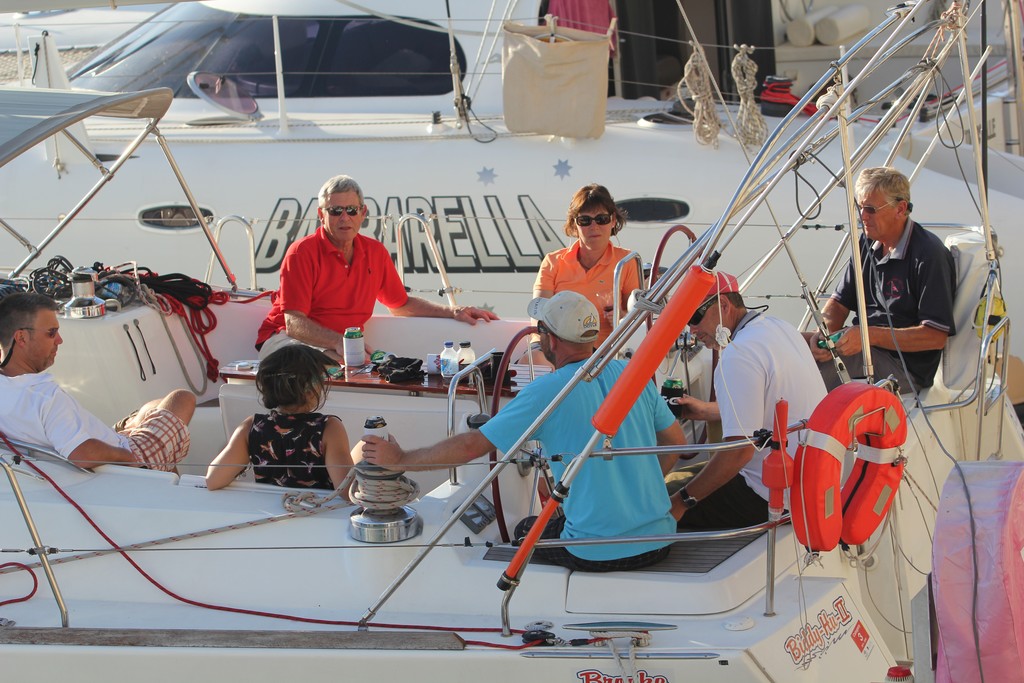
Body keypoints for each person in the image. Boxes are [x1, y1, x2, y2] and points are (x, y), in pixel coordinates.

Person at [359, 291, 685, 572]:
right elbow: (676, 442)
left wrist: (400, 458)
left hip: (595, 553)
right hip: (658, 540)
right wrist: (630, 495)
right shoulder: (632, 373)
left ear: (551, 339)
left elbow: (473, 445)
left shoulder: (549, 391)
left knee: (524, 529)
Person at [255, 175, 499, 360]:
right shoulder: (301, 253)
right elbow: (294, 324)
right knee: (314, 365)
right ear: (321, 214)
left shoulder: (375, 252)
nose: (344, 217)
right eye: (335, 211)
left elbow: (401, 305)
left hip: (342, 347)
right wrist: (340, 343)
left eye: (351, 210)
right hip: (287, 341)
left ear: (363, 213)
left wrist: (453, 311)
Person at [668, 273, 826, 529]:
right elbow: (763, 405)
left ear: (723, 305)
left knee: (660, 499)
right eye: (686, 322)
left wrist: (681, 502)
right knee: (681, 478)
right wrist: (709, 411)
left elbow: (740, 452)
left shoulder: (737, 355)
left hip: (770, 495)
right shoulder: (779, 327)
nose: (692, 330)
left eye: (695, 318)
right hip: (811, 481)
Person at [0, 292, 194, 471]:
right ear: (22, 337)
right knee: (182, 398)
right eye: (51, 333)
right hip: (127, 460)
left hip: (105, 441)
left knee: (151, 408)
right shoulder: (46, 398)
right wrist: (128, 456)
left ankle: (131, 430)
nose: (59, 340)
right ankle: (138, 440)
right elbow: (81, 454)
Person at [805, 166, 956, 393]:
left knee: (809, 373)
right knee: (786, 345)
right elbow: (839, 303)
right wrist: (823, 335)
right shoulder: (866, 245)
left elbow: (934, 336)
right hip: (862, 347)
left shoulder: (928, 254)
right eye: (859, 207)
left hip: (903, 367)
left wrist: (868, 337)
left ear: (900, 209)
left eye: (870, 209)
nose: (862, 216)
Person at [206, 345, 352, 491]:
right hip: (317, 508)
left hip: (270, 510)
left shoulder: (253, 426)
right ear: (309, 391)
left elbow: (213, 480)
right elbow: (347, 492)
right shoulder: (329, 428)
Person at [533, 183, 641, 348]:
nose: (594, 226)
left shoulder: (627, 261)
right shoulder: (552, 262)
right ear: (574, 224)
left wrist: (621, 318)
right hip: (561, 356)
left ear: (613, 221)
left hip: (607, 357)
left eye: (601, 219)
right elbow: (539, 316)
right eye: (585, 220)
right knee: (534, 357)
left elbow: (637, 318)